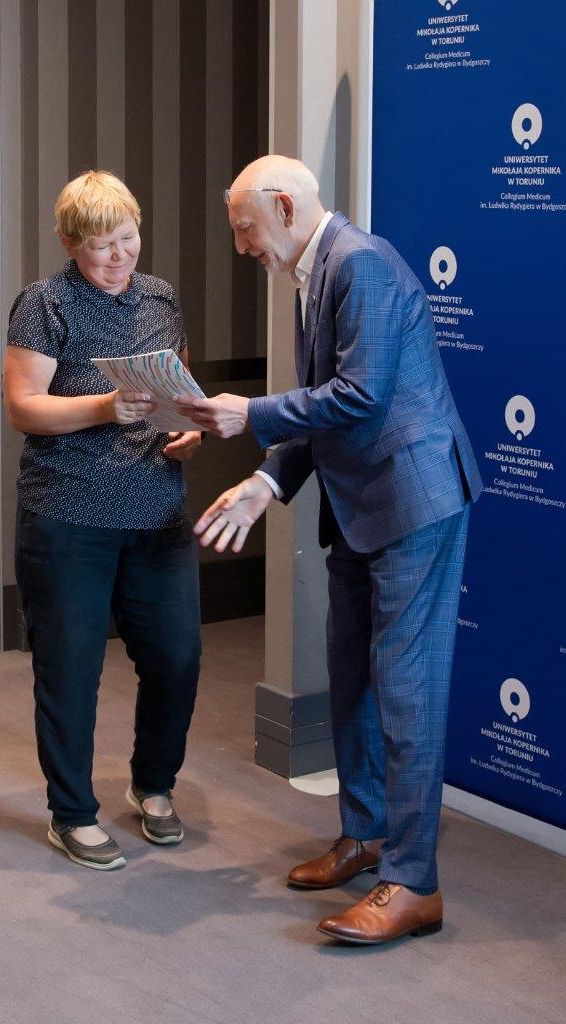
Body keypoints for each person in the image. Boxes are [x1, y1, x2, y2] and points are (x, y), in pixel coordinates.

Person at [177, 155, 482, 944]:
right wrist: (264, 484)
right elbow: (326, 412)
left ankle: (413, 884)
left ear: (283, 207)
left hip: (412, 501)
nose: (241, 246)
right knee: (351, 678)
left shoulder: (361, 264)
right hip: (360, 507)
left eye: (245, 228)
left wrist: (251, 413)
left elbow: (360, 396)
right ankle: (366, 836)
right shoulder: (313, 274)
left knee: (407, 691)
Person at [3, 170, 202, 870]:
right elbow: (23, 407)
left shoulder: (160, 297)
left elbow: (178, 389)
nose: (119, 256)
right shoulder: (45, 303)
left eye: (127, 239)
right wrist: (102, 407)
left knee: (177, 659)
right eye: (100, 245)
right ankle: (72, 814)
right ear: (69, 243)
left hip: (158, 512)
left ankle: (153, 785)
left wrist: (189, 430)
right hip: (68, 513)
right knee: (71, 668)